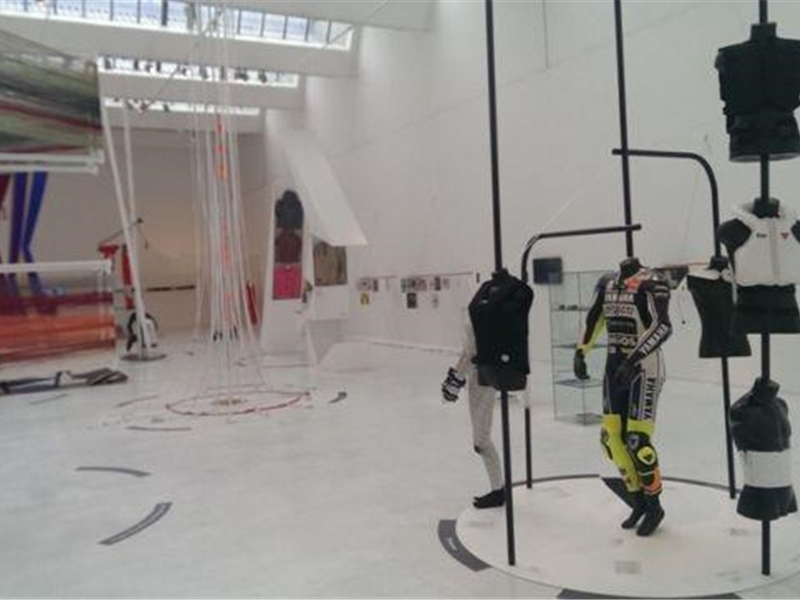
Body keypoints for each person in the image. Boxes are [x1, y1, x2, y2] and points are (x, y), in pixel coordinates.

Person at [574, 257, 672, 536]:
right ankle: (637, 501)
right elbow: (594, 318)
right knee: (612, 438)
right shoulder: (606, 282)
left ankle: (654, 506)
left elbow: (663, 326)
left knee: (637, 440)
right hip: (614, 365)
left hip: (644, 367)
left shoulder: (653, 281)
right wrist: (580, 351)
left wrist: (633, 360)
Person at [442, 319, 504, 509]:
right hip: (479, 378)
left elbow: (471, 353)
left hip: (484, 379)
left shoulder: (482, 317)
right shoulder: (478, 316)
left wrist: (455, 380)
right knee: (480, 440)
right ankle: (497, 489)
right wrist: (456, 378)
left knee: (481, 440)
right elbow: (468, 352)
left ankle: (498, 492)